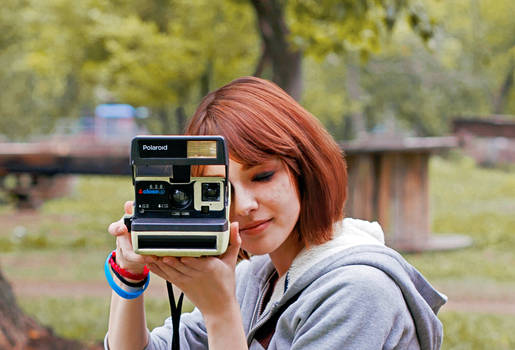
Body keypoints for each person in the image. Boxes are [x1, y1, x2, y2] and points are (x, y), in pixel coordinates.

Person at [105, 76, 446, 350]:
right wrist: (129, 278)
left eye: (263, 176)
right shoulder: (254, 278)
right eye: (219, 190)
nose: (245, 206)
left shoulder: (358, 291)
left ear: (304, 169)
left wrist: (220, 312)